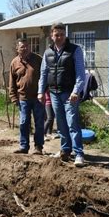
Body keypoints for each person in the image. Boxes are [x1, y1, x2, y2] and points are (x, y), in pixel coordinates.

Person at [38, 22, 85, 167]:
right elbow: (44, 73)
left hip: (70, 94)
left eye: (62, 35)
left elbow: (81, 74)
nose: (59, 37)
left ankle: (79, 154)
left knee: (72, 123)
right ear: (51, 36)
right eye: (56, 35)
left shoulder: (75, 50)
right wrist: (40, 91)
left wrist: (76, 91)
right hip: (54, 93)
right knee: (61, 123)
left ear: (65, 35)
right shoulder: (48, 52)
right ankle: (65, 149)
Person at [9, 38, 44, 155]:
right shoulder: (14, 63)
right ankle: (24, 146)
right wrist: (13, 97)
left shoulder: (38, 59)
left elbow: (45, 76)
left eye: (27, 46)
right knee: (24, 122)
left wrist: (44, 92)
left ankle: (38, 147)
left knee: (39, 123)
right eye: (22, 47)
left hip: (38, 98)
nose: (25, 49)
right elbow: (12, 82)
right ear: (17, 49)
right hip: (23, 98)